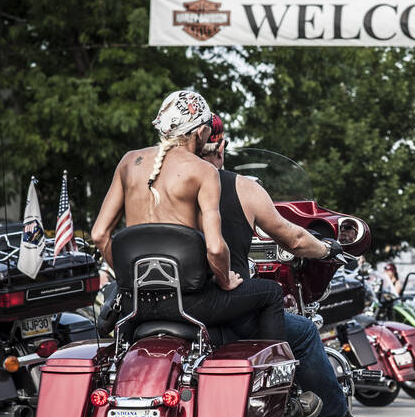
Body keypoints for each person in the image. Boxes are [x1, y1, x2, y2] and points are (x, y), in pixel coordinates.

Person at [198, 115, 368, 417]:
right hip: (223, 305)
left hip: (169, 305)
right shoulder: (241, 187)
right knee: (303, 332)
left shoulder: (159, 189)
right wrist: (327, 248)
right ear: (220, 147)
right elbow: (294, 239)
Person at [90, 90, 285, 344]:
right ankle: (278, 375)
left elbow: (99, 234)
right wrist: (226, 280)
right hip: (190, 304)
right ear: (202, 131)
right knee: (271, 293)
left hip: (134, 304)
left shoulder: (129, 162)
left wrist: (130, 280)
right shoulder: (204, 171)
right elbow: (215, 248)